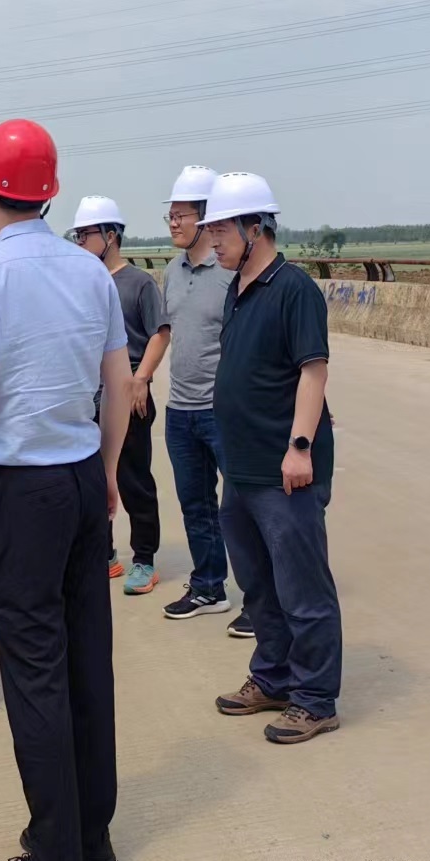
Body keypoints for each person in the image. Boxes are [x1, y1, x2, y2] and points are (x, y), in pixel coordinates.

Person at [0, 119, 131, 861]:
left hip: (21, 490)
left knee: (34, 670)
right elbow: (118, 386)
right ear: (48, 193)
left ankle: (56, 844)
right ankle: (93, 833)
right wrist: (107, 473)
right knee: (87, 659)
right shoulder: (90, 271)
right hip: (82, 475)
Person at [202, 172, 342, 746]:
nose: (212, 240)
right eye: (210, 229)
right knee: (258, 585)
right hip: (240, 467)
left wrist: (300, 446)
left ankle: (315, 699)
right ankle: (274, 678)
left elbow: (313, 371)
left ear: (255, 227)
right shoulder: (237, 289)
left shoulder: (293, 289)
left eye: (221, 229)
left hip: (284, 469)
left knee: (303, 589)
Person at [156, 167, 252, 637]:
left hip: (223, 411)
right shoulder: (172, 272)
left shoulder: (231, 272)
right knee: (195, 505)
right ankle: (209, 587)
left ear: (207, 216)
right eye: (170, 216)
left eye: (182, 215)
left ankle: (260, 600)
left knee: (242, 508)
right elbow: (168, 332)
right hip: (180, 409)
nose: (174, 223)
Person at [70, 195, 168, 596]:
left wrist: (140, 379)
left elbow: (160, 333)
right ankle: (105, 553)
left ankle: (144, 558)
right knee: (93, 477)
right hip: (90, 393)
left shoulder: (138, 283)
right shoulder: (84, 282)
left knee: (132, 478)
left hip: (128, 390)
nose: (80, 242)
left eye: (85, 234)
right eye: (76, 236)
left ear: (111, 235)